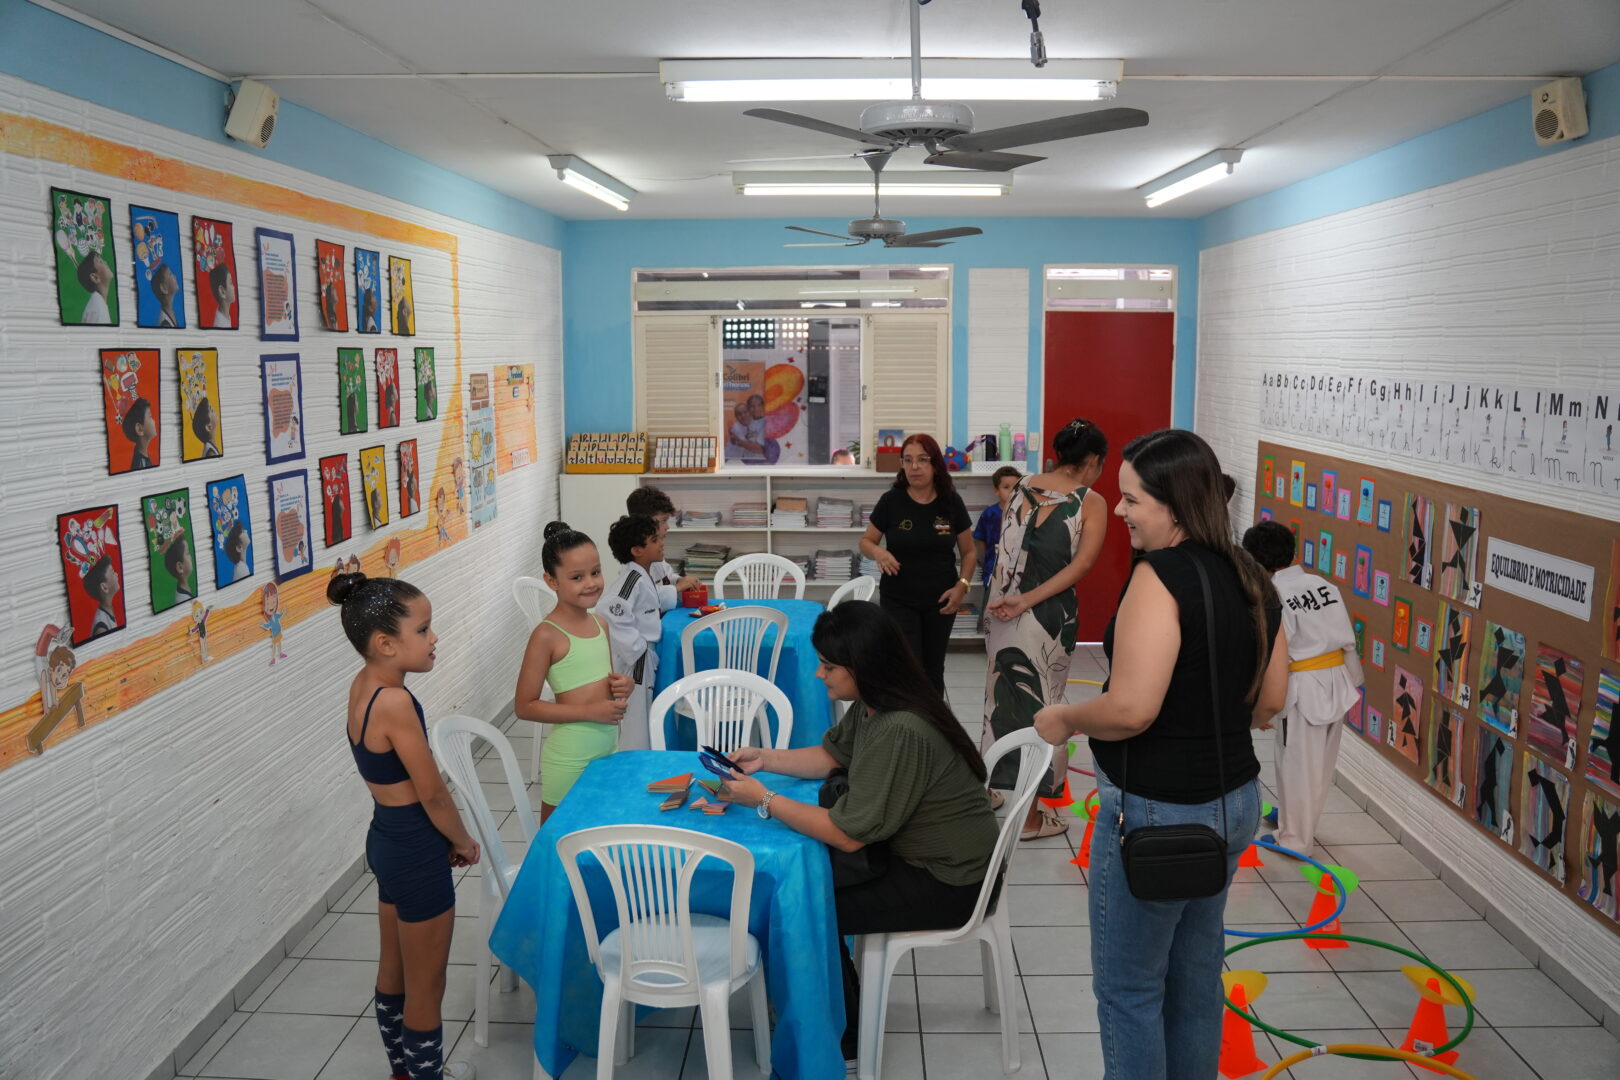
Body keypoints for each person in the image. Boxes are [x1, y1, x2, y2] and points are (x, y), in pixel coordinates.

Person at [1032, 429, 1288, 1080]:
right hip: (1234, 802)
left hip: (1159, 814)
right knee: (1195, 981)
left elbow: (1130, 710)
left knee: (1130, 988)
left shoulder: (1159, 577)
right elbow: (1271, 701)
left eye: (1132, 500)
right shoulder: (1252, 576)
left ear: (1174, 504)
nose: (1118, 511)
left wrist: (1066, 718)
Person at [718, 600, 998, 1065]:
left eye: (828, 666)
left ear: (863, 665)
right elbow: (832, 756)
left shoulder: (900, 727)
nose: (818, 675)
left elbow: (848, 836)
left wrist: (763, 799)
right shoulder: (877, 704)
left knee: (803, 903)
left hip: (952, 880)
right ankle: (828, 1009)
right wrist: (764, 759)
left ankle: (842, 1036)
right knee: (803, 885)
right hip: (926, 857)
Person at [328, 571, 479, 1080]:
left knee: (393, 969)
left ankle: (402, 1072)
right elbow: (432, 792)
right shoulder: (395, 702)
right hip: (414, 846)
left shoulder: (364, 686)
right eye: (423, 629)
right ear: (386, 644)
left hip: (386, 840)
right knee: (427, 986)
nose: (435, 637)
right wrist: (461, 840)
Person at [983, 418, 1109, 839]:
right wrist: (1028, 601)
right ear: (1093, 461)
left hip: (1001, 607)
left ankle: (991, 790)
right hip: (1046, 616)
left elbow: (1007, 551)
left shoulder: (1021, 484)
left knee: (1001, 699)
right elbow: (1082, 566)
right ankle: (1031, 818)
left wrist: (1007, 599)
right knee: (1044, 708)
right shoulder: (1090, 501)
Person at [1242, 520, 1363, 853]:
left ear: (1254, 562)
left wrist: (1262, 701)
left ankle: (1295, 839)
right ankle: (1296, 820)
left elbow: (1272, 654)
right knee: (1320, 763)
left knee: (1295, 763)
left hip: (1303, 687)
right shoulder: (1322, 584)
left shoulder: (1273, 595)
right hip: (1337, 680)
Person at [513, 522, 634, 819]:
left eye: (596, 572)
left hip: (607, 749)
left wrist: (623, 685)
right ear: (551, 581)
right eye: (577, 577)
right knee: (557, 839)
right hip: (570, 758)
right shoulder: (546, 635)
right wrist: (589, 712)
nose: (591, 583)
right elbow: (525, 706)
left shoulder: (600, 624)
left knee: (599, 832)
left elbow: (604, 685)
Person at [859, 434, 976, 692]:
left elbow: (969, 552)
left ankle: (932, 717)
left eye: (923, 460)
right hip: (898, 599)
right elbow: (866, 542)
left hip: (942, 600)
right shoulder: (891, 501)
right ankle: (907, 715)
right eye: (908, 460)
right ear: (901, 464)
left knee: (933, 669)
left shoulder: (951, 502)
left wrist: (962, 586)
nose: (915, 467)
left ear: (935, 464)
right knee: (908, 667)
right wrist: (878, 553)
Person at [601, 514, 672, 751]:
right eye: (654, 540)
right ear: (637, 550)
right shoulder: (631, 579)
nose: (661, 543)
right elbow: (609, 611)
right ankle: (633, 759)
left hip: (644, 654)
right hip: (637, 659)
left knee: (645, 711)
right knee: (636, 717)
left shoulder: (643, 575)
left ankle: (643, 755)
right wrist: (637, 648)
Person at [625, 487, 702, 596]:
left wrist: (681, 580)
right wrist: (677, 588)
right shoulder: (632, 567)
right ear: (644, 523)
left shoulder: (654, 553)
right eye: (664, 521)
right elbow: (646, 597)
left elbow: (667, 578)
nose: (667, 527)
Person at [972, 465, 1021, 592]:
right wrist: (986, 562)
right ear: (996, 490)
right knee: (993, 603)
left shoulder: (1025, 514)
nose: (1012, 491)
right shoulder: (989, 514)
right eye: (1006, 487)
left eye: (1016, 487)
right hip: (993, 572)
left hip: (1019, 575)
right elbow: (980, 540)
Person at [76, 249, 114, 324]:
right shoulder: (98, 308)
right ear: (95, 277)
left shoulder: (99, 304)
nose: (105, 262)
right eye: (100, 261)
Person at [122, 398, 157, 471]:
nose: (154, 421)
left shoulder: (142, 457)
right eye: (150, 416)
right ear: (139, 429)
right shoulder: (140, 464)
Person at [205, 264, 236, 329]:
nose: (234, 287)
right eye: (231, 283)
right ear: (222, 291)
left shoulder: (225, 317)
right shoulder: (220, 324)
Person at [151, 262, 181, 327]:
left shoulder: (171, 312)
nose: (174, 276)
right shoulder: (165, 323)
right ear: (164, 288)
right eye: (170, 274)